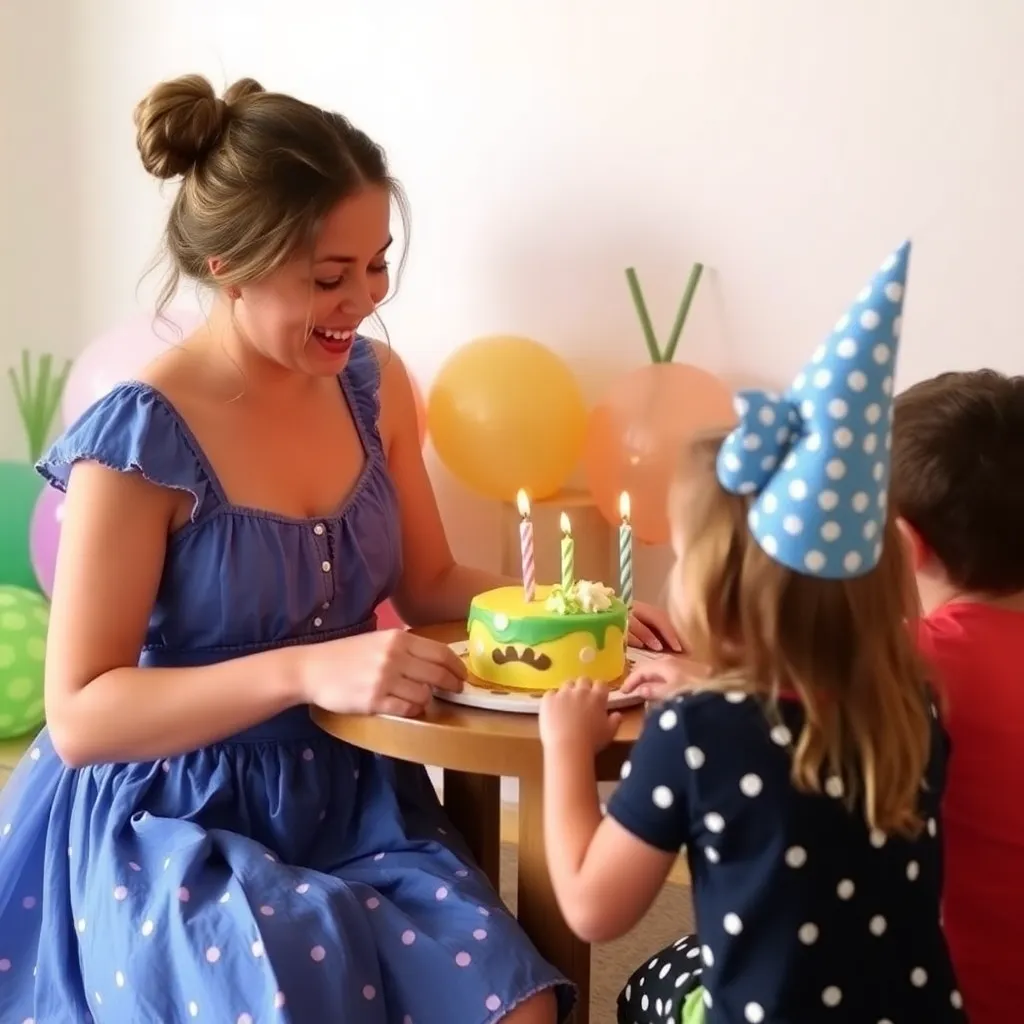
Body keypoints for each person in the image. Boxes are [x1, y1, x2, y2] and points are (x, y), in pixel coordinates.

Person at [0, 74, 678, 1024]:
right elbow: (81, 715)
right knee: (285, 993)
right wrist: (308, 669)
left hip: (354, 789)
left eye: (377, 265)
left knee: (519, 1008)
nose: (362, 300)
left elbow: (429, 580)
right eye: (329, 277)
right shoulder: (139, 438)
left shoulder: (373, 385)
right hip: (173, 812)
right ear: (232, 264)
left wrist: (579, 616)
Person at [539, 241, 968, 1023]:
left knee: (648, 990)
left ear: (720, 596)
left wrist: (565, 750)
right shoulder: (912, 703)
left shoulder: (696, 731)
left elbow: (593, 908)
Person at [889, 369, 1024, 1024]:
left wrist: (697, 676)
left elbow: (764, 702)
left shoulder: (919, 658)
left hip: (952, 1002)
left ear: (903, 544)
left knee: (664, 981)